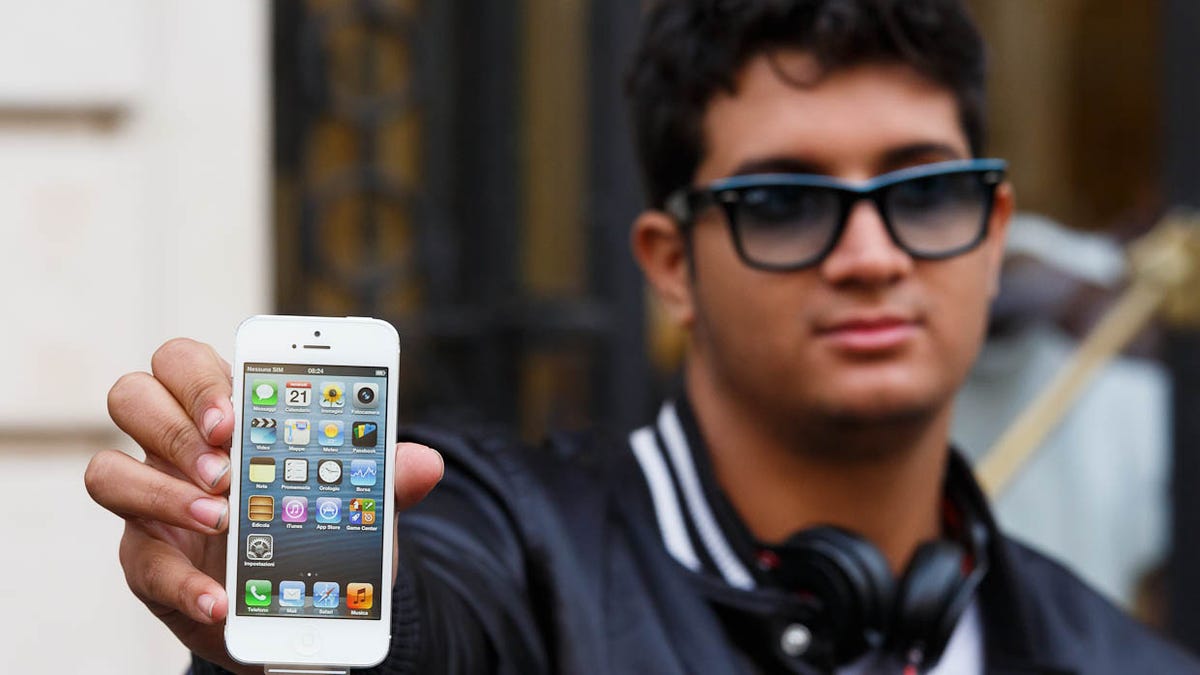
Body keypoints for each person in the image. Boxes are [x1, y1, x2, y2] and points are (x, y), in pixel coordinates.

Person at [85, 0, 1199, 673]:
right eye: (784, 202)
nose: (873, 255)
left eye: (925, 192)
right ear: (670, 265)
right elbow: (435, 610)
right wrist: (283, 618)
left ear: (993, 234)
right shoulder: (514, 547)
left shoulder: (1119, 657)